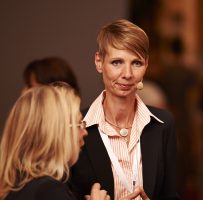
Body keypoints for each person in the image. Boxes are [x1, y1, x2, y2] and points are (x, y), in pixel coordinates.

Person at [69, 19, 178, 200]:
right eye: (117, 62)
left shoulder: (163, 124)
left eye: (136, 63)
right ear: (99, 61)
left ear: (146, 65)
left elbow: (170, 195)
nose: (127, 74)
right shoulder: (76, 125)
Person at [0, 83, 110, 200]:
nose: (85, 132)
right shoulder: (49, 190)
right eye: (79, 124)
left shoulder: (17, 182)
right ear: (56, 132)